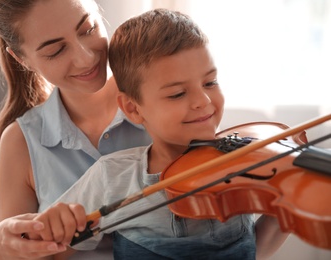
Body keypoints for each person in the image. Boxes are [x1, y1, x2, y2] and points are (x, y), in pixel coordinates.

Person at [30, 8, 290, 259]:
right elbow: (46, 251)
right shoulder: (112, 177)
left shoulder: (241, 163)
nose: (203, 101)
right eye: (177, 93)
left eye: (210, 82)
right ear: (133, 109)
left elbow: (253, 247)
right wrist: (55, 226)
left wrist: (292, 197)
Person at [0, 0, 151, 259]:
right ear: (22, 59)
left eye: (88, 29)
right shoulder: (19, 142)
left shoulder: (164, 101)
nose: (86, 58)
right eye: (55, 50)